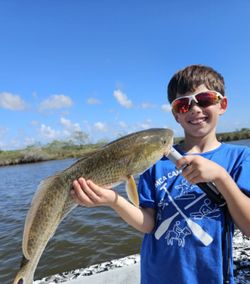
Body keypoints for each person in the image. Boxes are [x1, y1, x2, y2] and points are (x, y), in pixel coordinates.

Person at [71, 65, 250, 284]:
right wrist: (113, 200)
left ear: (222, 105)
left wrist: (221, 177)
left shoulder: (240, 158)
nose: (195, 109)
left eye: (204, 99)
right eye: (183, 104)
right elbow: (148, 224)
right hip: (156, 277)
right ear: (176, 114)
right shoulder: (155, 163)